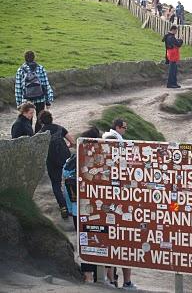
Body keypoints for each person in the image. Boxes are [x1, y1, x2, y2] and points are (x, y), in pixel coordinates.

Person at [102, 119, 137, 291]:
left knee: (118, 247)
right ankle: (119, 282)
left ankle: (114, 282)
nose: (126, 130)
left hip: (116, 212)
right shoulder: (113, 165)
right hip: (115, 213)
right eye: (124, 127)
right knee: (120, 248)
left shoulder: (103, 163)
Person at [64, 127, 100, 283]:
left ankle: (88, 275)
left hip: (75, 210)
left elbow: (65, 185)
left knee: (84, 239)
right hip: (91, 210)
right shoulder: (92, 161)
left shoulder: (70, 161)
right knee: (97, 240)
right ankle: (95, 276)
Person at [38, 111, 74, 219]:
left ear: (41, 121)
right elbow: (72, 142)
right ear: (51, 118)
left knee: (56, 184)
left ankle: (63, 207)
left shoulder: (40, 133)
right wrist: (67, 146)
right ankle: (72, 206)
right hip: (65, 158)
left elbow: (40, 151)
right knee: (69, 182)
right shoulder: (60, 128)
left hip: (51, 161)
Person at [15, 51, 54, 133]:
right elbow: (46, 85)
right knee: (40, 119)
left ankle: (29, 136)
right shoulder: (40, 68)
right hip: (40, 98)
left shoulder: (20, 70)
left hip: (27, 101)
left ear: (25, 58)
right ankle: (38, 135)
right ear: (34, 58)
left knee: (27, 119)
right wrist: (48, 101)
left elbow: (18, 88)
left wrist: (19, 104)